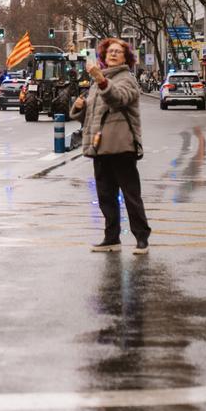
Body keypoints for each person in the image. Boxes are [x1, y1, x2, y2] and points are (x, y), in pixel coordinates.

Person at [70, 38, 150, 254]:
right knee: (105, 195)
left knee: (130, 194)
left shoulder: (127, 79)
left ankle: (142, 238)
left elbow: (118, 98)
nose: (113, 54)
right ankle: (111, 238)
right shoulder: (98, 82)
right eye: (110, 52)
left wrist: (100, 79)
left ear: (126, 58)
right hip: (100, 147)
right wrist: (80, 108)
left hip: (122, 145)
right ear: (104, 56)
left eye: (118, 52)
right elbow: (94, 117)